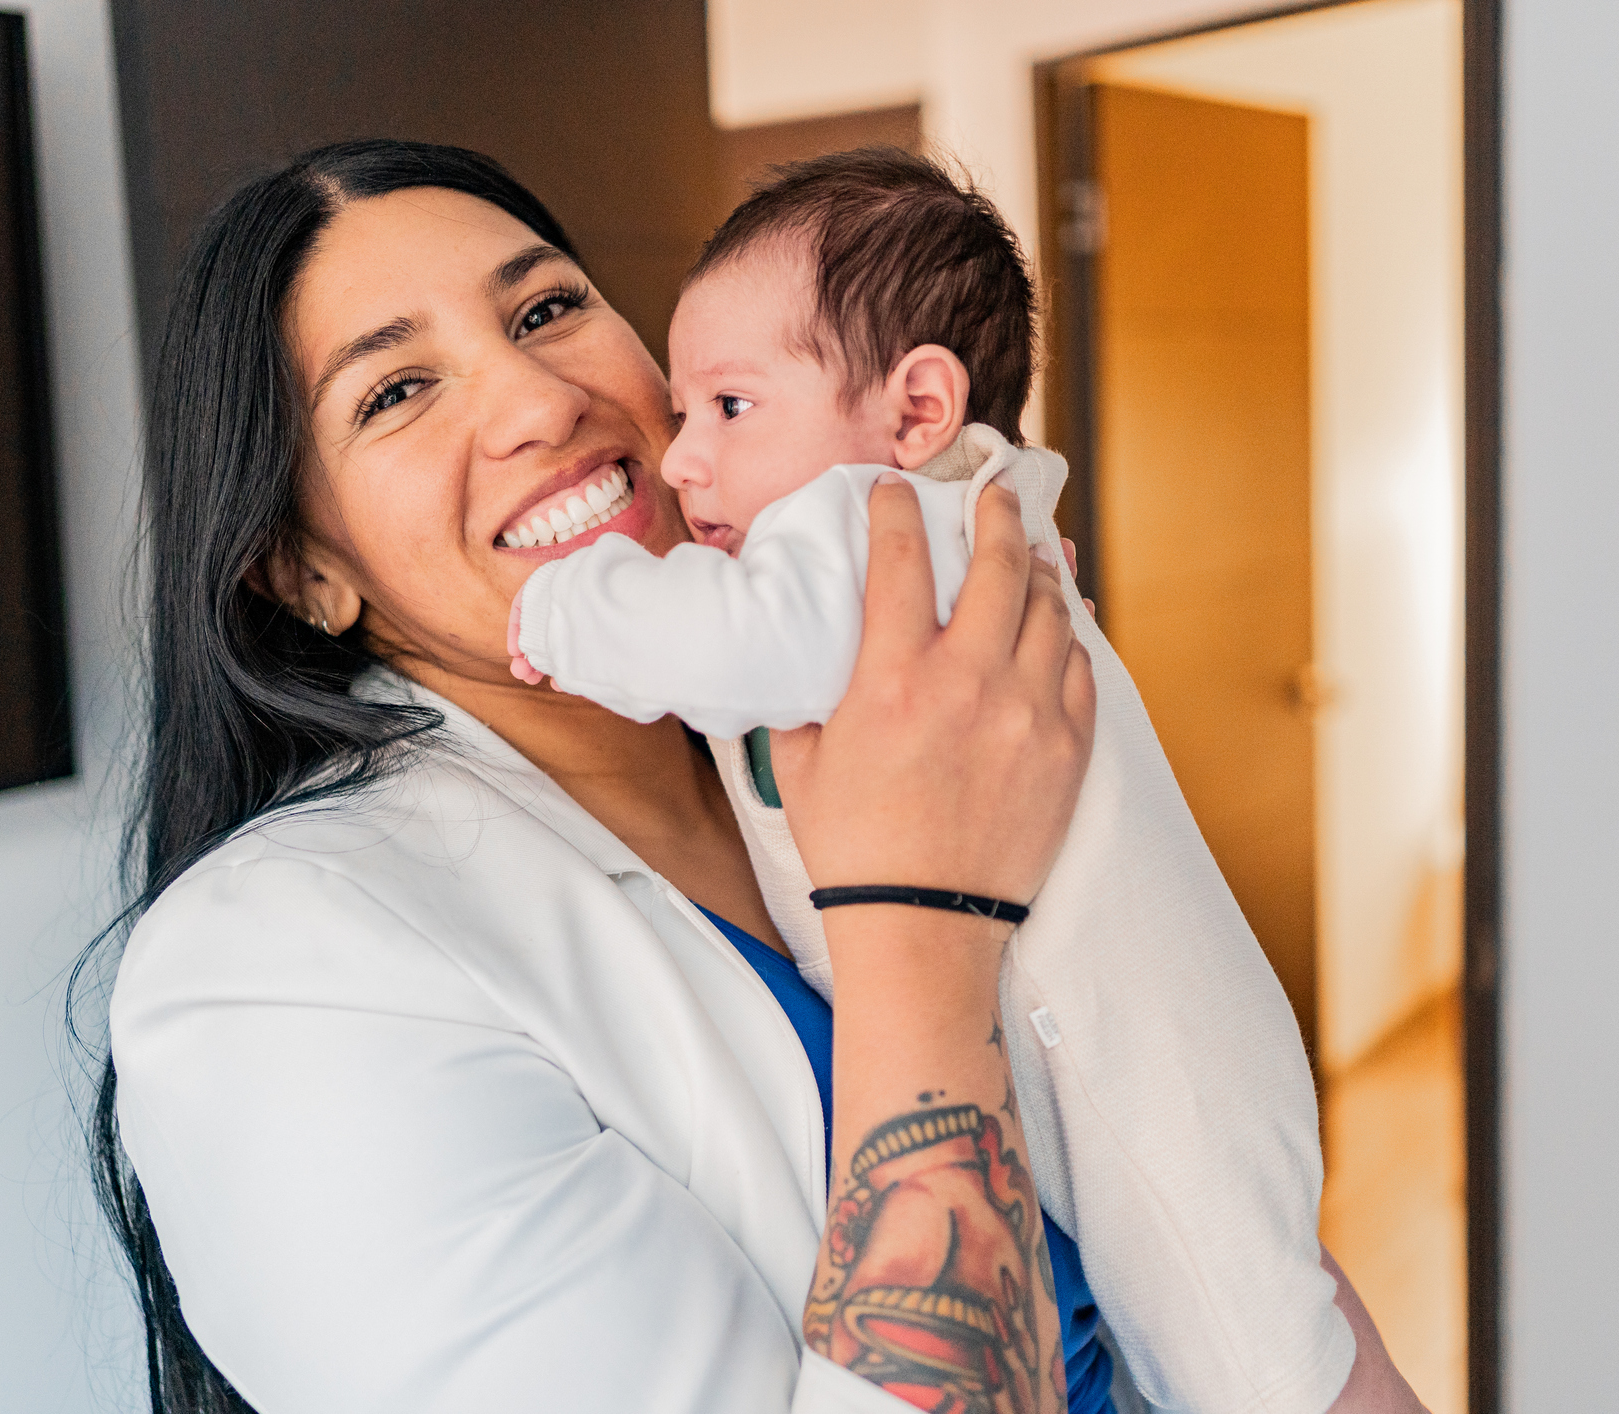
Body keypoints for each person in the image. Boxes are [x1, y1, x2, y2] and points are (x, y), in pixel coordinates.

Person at [81, 139, 1421, 1414]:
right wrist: (922, 921)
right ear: (302, 571)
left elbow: (1152, 1126)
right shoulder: (278, 976)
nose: (542, 399)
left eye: (547, 308)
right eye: (394, 389)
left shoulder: (848, 696)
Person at [503, 147, 1373, 1414]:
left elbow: (751, 643)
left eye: (731, 409)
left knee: (1253, 1364)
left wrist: (572, 607)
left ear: (916, 411)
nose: (684, 461)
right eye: (684, 413)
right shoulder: (940, 512)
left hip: (1139, 1065)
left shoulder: (876, 517)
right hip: (1122, 1048)